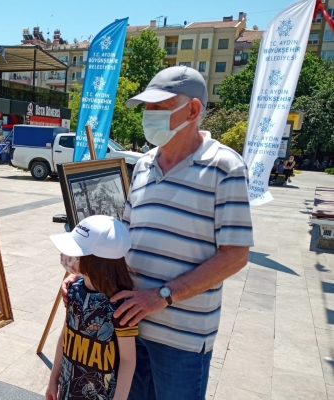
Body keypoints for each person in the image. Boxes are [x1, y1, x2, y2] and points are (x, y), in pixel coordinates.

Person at [62, 66, 253, 400]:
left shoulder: (225, 168)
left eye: (158, 108)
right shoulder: (145, 165)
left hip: (182, 339)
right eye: (146, 108)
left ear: (192, 110)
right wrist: (86, 276)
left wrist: (162, 296)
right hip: (128, 327)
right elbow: (125, 237)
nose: (148, 116)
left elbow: (235, 255)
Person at [47, 215, 137, 400]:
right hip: (67, 391)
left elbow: (128, 360)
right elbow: (65, 335)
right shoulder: (72, 289)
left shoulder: (121, 306)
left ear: (95, 261)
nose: (68, 257)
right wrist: (53, 379)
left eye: (76, 252)